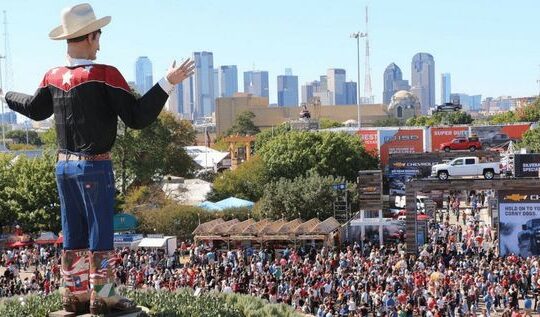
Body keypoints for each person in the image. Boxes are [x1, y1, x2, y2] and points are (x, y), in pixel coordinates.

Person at [0, 3, 194, 315]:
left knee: (72, 230)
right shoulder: (104, 74)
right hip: (94, 165)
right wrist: (167, 82)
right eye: (98, 36)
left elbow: (36, 110)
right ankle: (103, 296)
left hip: (63, 167)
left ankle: (73, 294)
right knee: (99, 233)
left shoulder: (52, 77)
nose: (100, 44)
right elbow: (137, 116)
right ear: (90, 36)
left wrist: (6, 94)